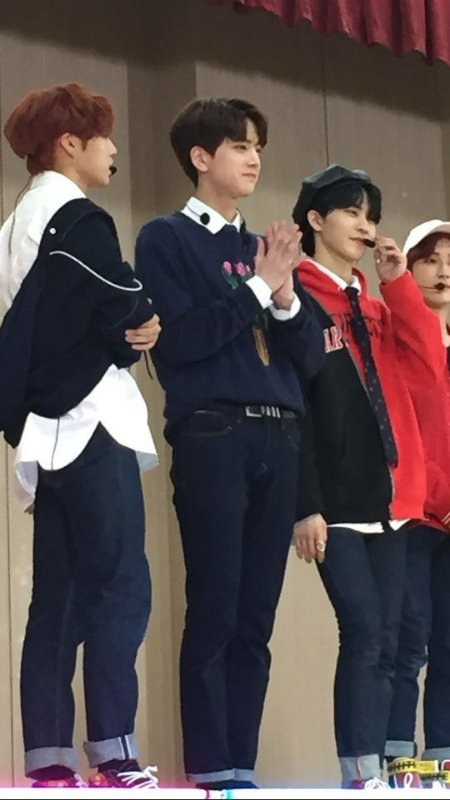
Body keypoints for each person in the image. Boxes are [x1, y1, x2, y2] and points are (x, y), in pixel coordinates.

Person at [134, 97, 325, 791]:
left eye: (258, 149)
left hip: (280, 434)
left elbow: (312, 358)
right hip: (214, 433)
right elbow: (179, 344)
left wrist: (284, 296)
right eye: (240, 146)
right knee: (214, 607)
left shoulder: (263, 251)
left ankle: (242, 766)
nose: (253, 160)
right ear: (200, 156)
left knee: (256, 618)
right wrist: (258, 290)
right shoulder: (165, 238)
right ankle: (214, 771)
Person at [0, 83, 161, 789]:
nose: (113, 149)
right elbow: (124, 301)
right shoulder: (79, 217)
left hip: (43, 433)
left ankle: (48, 759)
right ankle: (115, 752)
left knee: (57, 599)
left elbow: (48, 325)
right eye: (104, 137)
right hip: (93, 420)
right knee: (120, 586)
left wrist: (121, 328)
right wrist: (139, 324)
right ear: (70, 143)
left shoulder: (14, 225)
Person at [291, 165, 444, 789]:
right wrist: (306, 502)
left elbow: (429, 365)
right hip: (339, 499)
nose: (365, 225)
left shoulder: (379, 306)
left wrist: (399, 283)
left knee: (391, 637)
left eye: (371, 215)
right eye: (351, 212)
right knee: (362, 630)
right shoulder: (296, 299)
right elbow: (297, 409)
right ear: (315, 220)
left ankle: (377, 769)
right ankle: (357, 772)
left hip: (395, 498)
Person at [384, 220, 450, 790]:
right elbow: (407, 432)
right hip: (415, 516)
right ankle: (399, 760)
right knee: (409, 642)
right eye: (431, 259)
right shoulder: (398, 340)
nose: (444, 272)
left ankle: (445, 760)